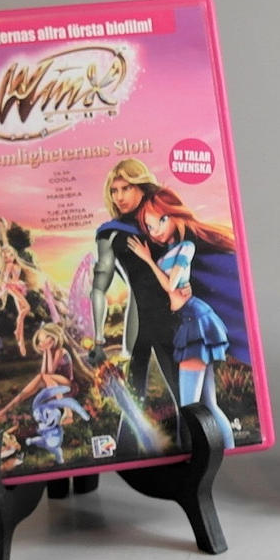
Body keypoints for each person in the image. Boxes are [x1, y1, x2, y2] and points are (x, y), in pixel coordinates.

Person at [126, 188, 238, 447]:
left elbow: (171, 285)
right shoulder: (170, 250)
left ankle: (196, 453)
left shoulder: (186, 247)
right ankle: (228, 450)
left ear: (175, 215)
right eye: (150, 226)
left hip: (194, 323)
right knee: (208, 404)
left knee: (189, 407)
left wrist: (147, 260)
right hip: (189, 320)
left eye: (161, 220)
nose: (155, 231)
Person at [90, 159, 179, 407]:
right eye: (114, 191)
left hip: (175, 312)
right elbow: (98, 287)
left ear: (142, 186)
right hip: (140, 318)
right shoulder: (111, 232)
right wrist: (99, 340)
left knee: (184, 389)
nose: (119, 197)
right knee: (135, 396)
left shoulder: (164, 219)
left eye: (126, 188)